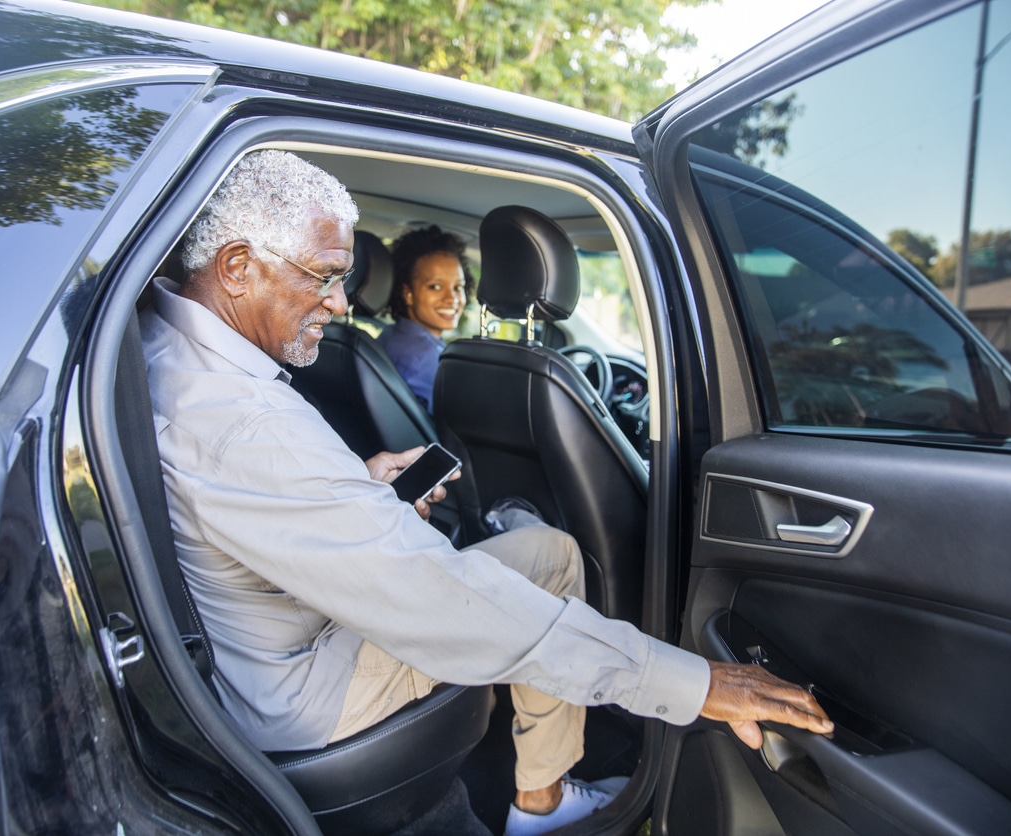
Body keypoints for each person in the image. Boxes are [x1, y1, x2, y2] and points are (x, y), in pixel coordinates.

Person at [140, 149, 832, 836]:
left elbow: (260, 501)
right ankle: (542, 801)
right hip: (306, 690)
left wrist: (359, 490)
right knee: (552, 562)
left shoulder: (163, 350)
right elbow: (448, 603)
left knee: (536, 553)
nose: (341, 303)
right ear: (236, 267)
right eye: (324, 276)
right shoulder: (247, 424)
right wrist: (691, 684)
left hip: (255, 655)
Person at [378, 225, 474, 413]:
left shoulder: (391, 335)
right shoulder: (428, 360)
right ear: (408, 293)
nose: (452, 299)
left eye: (458, 287)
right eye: (435, 287)